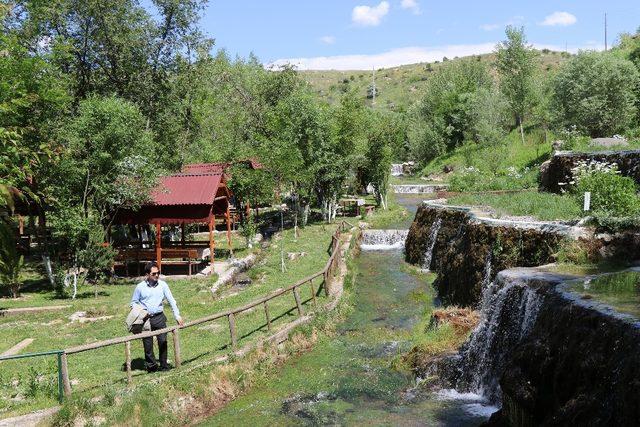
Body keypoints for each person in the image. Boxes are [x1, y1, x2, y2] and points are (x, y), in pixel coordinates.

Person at [130, 261, 184, 372]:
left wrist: (177, 315)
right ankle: (151, 367)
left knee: (163, 341)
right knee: (148, 344)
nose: (157, 275)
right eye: (154, 273)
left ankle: (164, 365)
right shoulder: (140, 287)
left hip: (159, 317)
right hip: (146, 319)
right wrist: (142, 312)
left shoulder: (163, 285)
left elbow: (171, 300)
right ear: (147, 274)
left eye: (158, 273)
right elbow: (133, 303)